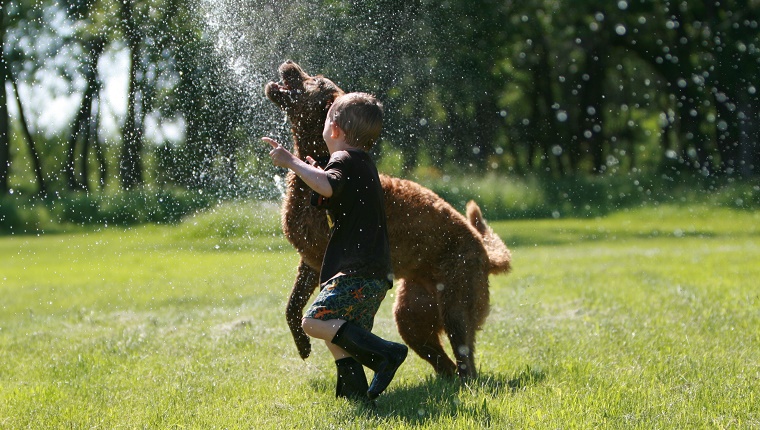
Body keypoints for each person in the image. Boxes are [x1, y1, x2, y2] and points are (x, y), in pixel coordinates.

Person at [262, 92, 407, 402]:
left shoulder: (343, 160)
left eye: (327, 120)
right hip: (374, 272)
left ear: (336, 130)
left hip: (355, 270)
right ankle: (354, 396)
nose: (323, 126)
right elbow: (333, 186)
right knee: (339, 336)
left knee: (315, 322)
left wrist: (291, 162)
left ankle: (386, 354)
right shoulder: (362, 163)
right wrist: (313, 166)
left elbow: (327, 185)